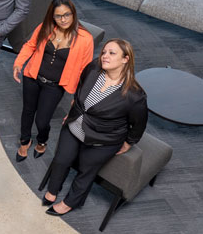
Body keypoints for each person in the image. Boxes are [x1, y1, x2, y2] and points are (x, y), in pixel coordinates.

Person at [43, 39, 148, 216]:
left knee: (86, 171)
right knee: (61, 159)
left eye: (112, 53)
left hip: (103, 139)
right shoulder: (93, 67)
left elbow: (139, 123)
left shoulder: (134, 95)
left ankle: (70, 202)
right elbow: (80, 87)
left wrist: (129, 142)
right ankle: (53, 190)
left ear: (125, 59)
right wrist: (74, 109)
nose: (104, 56)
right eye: (104, 51)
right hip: (75, 124)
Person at [13, 0, 93, 162]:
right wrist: (18, 63)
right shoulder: (45, 27)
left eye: (67, 15)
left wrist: (78, 98)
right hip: (33, 77)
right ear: (52, 16)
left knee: (42, 120)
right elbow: (30, 45)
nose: (63, 20)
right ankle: (24, 141)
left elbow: (86, 71)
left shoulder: (85, 39)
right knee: (27, 111)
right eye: (58, 16)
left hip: (55, 86)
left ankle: (42, 140)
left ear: (73, 14)